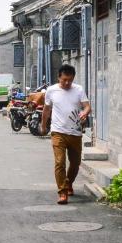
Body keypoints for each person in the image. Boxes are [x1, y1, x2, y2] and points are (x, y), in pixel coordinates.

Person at [41, 63, 91, 205]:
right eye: (64, 80)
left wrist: (85, 112)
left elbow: (87, 106)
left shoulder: (79, 90)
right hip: (58, 132)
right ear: (59, 78)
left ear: (73, 78)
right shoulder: (51, 91)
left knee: (75, 163)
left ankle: (68, 183)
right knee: (59, 162)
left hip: (75, 132)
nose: (67, 83)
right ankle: (62, 192)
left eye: (70, 80)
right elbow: (46, 110)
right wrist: (43, 126)